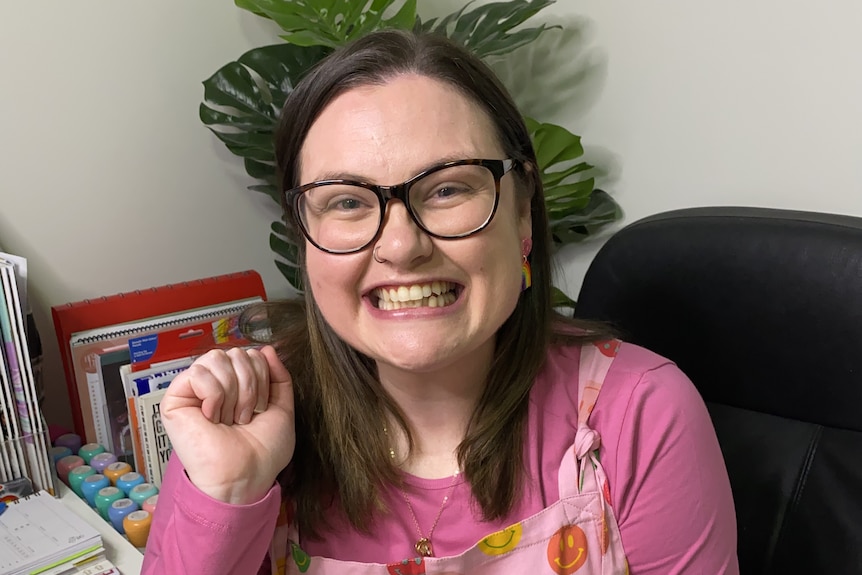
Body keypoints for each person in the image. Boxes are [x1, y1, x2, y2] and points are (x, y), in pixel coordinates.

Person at [142, 29, 738, 574]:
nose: (401, 246)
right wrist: (226, 494)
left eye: (448, 188)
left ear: (523, 209)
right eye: (346, 201)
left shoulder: (637, 414)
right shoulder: (245, 423)